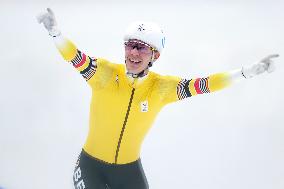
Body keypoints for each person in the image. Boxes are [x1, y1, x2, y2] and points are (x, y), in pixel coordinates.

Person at [37, 8, 279, 189]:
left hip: (128, 171)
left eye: (141, 48)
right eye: (130, 45)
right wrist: (55, 33)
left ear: (155, 55)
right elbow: (75, 57)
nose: (133, 52)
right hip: (91, 166)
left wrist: (246, 72)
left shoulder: (161, 88)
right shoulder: (104, 75)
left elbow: (204, 85)